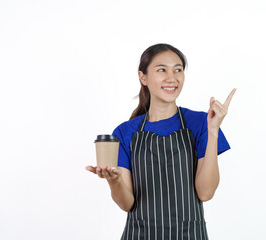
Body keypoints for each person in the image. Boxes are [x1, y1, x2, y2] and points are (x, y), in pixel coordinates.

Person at [86, 43, 236, 239]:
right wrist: (114, 182)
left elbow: (205, 193)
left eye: (178, 70)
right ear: (143, 77)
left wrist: (214, 131)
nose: (171, 78)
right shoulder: (125, 132)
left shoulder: (201, 123)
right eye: (162, 70)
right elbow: (127, 204)